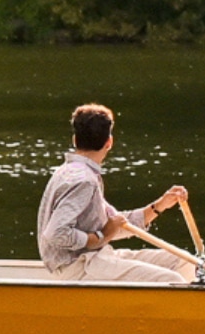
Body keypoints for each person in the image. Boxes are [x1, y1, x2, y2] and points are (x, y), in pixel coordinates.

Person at [36, 103, 195, 283]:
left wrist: (159, 206)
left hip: (98, 257)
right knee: (170, 280)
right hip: (79, 266)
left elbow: (117, 224)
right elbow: (56, 233)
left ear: (75, 140)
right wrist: (99, 237)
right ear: (109, 142)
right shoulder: (83, 181)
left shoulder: (76, 171)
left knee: (184, 260)